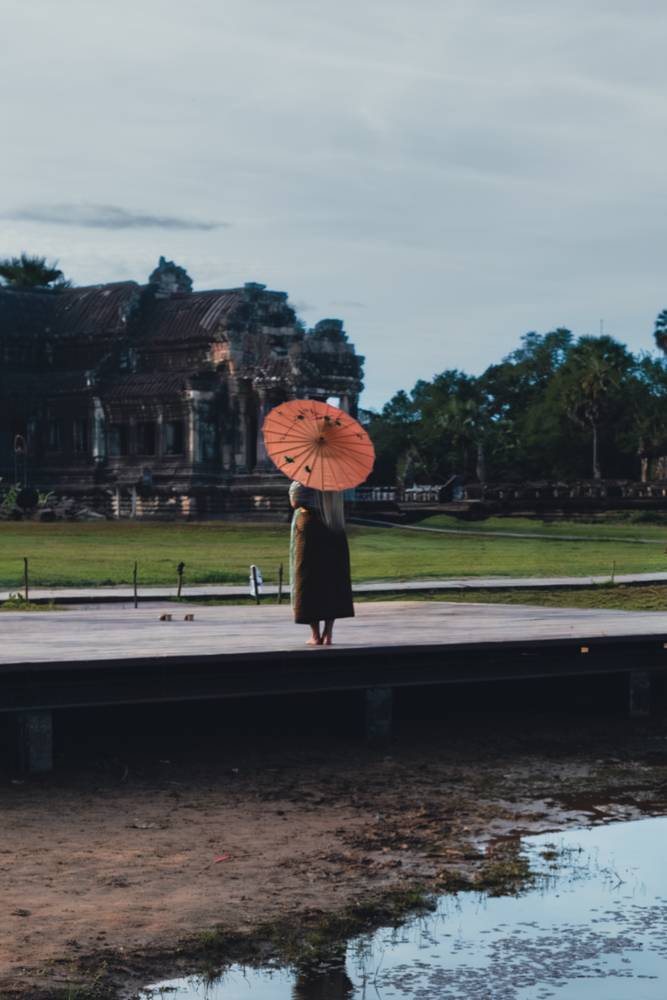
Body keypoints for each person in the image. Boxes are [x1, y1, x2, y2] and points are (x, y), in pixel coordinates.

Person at [289, 480, 354, 645]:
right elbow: (346, 501)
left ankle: (315, 635)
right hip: (333, 523)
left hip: (311, 525)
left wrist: (293, 487)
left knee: (309, 577)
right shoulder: (337, 474)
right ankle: (328, 633)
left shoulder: (307, 474)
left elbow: (296, 503)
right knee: (332, 578)